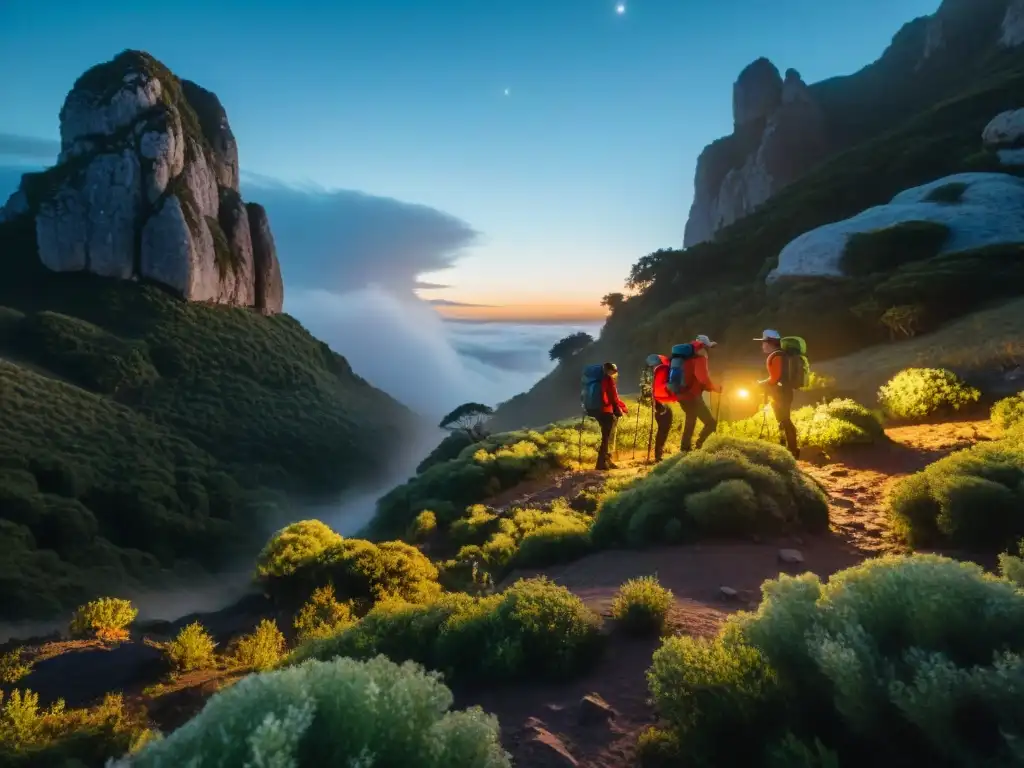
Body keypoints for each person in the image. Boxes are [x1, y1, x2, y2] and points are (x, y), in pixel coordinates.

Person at [755, 329, 800, 459]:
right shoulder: (781, 355)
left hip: (781, 393)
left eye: (763, 342)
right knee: (783, 421)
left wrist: (760, 383)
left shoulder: (776, 356)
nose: (762, 345)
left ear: (769, 343)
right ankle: (786, 449)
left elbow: (775, 378)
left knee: (785, 421)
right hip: (783, 392)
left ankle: (792, 452)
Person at [677, 334, 722, 452]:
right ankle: (699, 445)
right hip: (693, 395)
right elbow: (702, 378)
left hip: (681, 394)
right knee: (711, 423)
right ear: (704, 347)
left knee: (690, 419)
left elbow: (694, 378)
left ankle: (685, 448)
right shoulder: (701, 356)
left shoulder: (686, 357)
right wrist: (714, 388)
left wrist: (707, 387)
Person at [587, 362, 627, 470]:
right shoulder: (608, 379)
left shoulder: (596, 380)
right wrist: (619, 409)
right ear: (610, 370)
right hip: (606, 411)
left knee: (605, 437)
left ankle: (604, 462)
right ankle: (602, 463)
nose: (615, 373)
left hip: (596, 411)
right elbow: (613, 397)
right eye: (614, 371)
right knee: (607, 438)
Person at [647, 354, 675, 461]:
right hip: (662, 406)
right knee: (663, 431)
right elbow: (665, 388)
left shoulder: (656, 371)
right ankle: (658, 456)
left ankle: (658, 454)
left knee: (662, 431)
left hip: (658, 406)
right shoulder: (665, 371)